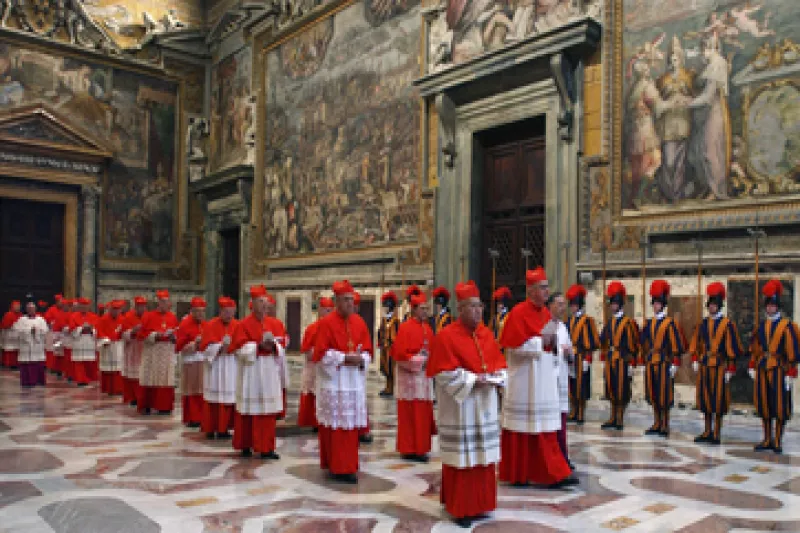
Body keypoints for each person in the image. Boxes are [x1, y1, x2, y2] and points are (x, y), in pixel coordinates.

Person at [427, 280, 506, 528]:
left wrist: (495, 378)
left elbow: (501, 366)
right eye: (472, 307)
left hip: (484, 404)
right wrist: (473, 380)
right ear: (460, 309)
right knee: (464, 459)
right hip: (462, 409)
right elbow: (442, 372)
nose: (478, 312)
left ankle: (481, 504)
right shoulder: (447, 337)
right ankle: (461, 507)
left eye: (480, 307)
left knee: (483, 457)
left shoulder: (486, 334)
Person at [499, 267, 576, 488]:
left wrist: (551, 344)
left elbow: (549, 345)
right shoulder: (518, 313)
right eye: (542, 288)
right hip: (525, 380)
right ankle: (521, 473)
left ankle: (552, 472)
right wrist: (541, 342)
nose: (546, 292)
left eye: (547, 287)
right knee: (524, 429)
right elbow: (514, 346)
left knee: (544, 428)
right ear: (531, 290)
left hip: (542, 380)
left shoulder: (545, 315)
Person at [314, 280, 372, 483]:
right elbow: (321, 355)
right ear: (337, 301)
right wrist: (345, 358)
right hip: (335, 381)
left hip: (353, 381)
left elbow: (368, 352)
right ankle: (337, 465)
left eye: (352, 300)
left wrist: (361, 358)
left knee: (350, 428)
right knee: (337, 427)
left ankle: (348, 465)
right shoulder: (326, 323)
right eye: (346, 300)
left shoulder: (360, 323)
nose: (350, 304)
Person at [228, 285, 283, 459]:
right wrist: (258, 346)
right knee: (249, 409)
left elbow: (281, 344)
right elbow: (238, 348)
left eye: (266, 302)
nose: (264, 305)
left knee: (267, 411)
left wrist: (274, 345)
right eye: (260, 302)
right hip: (252, 371)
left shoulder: (272, 323)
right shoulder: (243, 324)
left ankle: (266, 447)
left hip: (268, 370)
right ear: (252, 303)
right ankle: (246, 444)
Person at [689, 282, 742, 444]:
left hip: (720, 365)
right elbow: (695, 343)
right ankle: (707, 430)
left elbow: (733, 347)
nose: (711, 307)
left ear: (719, 306)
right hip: (705, 364)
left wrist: (731, 367)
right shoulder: (703, 324)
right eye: (710, 305)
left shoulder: (727, 325)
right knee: (705, 399)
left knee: (718, 399)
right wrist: (694, 359)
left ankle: (716, 432)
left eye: (714, 305)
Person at [749, 280, 798, 453]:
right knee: (764, 405)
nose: (770, 308)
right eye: (768, 306)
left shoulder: (787, 327)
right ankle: (766, 438)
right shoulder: (761, 327)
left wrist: (791, 372)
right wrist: (752, 364)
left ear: (778, 307)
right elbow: (755, 348)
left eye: (773, 306)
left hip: (779, 369)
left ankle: (777, 440)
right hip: (763, 367)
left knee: (779, 405)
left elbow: (793, 350)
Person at [393, 292, 436, 462]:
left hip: (424, 379)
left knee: (423, 414)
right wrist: (420, 361)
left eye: (427, 308)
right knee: (410, 415)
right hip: (410, 380)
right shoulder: (405, 328)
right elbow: (399, 355)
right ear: (414, 309)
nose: (426, 312)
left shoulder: (428, 328)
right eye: (422, 309)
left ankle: (421, 448)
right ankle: (409, 448)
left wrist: (431, 360)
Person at [640, 280, 683, 437]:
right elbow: (642, 341)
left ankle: (665, 423)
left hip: (664, 363)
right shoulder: (649, 323)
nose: (655, 306)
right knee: (653, 394)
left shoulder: (670, 323)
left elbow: (676, 345)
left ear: (663, 304)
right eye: (654, 303)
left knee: (664, 395)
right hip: (651, 362)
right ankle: (656, 422)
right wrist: (642, 360)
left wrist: (675, 363)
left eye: (658, 303)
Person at [600, 282, 640, 430]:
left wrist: (631, 363)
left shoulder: (628, 323)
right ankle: (612, 416)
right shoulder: (609, 322)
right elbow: (603, 340)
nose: (612, 306)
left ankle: (620, 418)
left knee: (621, 389)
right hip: (611, 359)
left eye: (615, 303)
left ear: (620, 304)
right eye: (612, 303)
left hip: (623, 360)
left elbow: (633, 344)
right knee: (610, 388)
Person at [200, 297, 239, 439]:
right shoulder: (210, 325)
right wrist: (220, 347)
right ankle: (210, 428)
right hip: (215, 366)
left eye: (231, 312)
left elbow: (242, 345)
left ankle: (224, 428)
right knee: (213, 399)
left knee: (228, 399)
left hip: (231, 365)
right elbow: (205, 348)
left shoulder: (237, 325)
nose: (229, 315)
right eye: (226, 312)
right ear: (220, 311)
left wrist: (234, 348)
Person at [137, 290, 179, 415]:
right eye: (164, 302)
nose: (167, 305)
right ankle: (147, 405)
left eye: (168, 302)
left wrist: (172, 337)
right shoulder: (148, 316)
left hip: (167, 352)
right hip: (152, 351)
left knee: (165, 378)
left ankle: (164, 406)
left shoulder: (172, 317)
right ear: (159, 303)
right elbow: (141, 335)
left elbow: (177, 333)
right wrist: (156, 335)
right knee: (150, 376)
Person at [298, 297, 334, 430]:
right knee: (313, 392)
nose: (328, 313)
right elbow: (307, 351)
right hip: (314, 366)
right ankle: (314, 422)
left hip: (329, 367)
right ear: (320, 311)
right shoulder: (312, 328)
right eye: (326, 310)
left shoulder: (335, 328)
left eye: (331, 310)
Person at [566, 284, 600, 425]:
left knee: (582, 387)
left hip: (582, 357)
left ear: (579, 305)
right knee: (572, 386)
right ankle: (573, 411)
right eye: (571, 305)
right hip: (572, 357)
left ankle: (581, 412)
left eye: (575, 305)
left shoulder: (588, 321)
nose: (572, 307)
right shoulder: (569, 321)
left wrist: (588, 358)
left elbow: (593, 342)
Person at [547, 291, 573, 468]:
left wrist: (569, 354)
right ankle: (555, 458)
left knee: (562, 422)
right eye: (559, 304)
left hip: (561, 379)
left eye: (564, 304)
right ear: (550, 306)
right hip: (549, 381)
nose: (563, 308)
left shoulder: (563, 327)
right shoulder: (546, 327)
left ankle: (563, 456)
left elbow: (570, 352)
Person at [176, 297, 207, 428]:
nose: (200, 314)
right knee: (192, 390)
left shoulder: (205, 324)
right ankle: (193, 417)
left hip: (203, 360)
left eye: (202, 312)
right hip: (191, 361)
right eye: (198, 311)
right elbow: (179, 346)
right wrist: (194, 344)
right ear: (192, 311)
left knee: (202, 390)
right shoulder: (185, 324)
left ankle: (201, 416)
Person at [265, 294, 289, 420]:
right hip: (267, 359)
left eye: (271, 308)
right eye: (267, 308)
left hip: (279, 358)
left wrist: (282, 341)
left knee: (280, 383)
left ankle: (280, 411)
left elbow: (285, 339)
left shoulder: (279, 323)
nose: (269, 310)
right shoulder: (261, 322)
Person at [14, 297, 48, 387]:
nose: (31, 310)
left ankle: (38, 381)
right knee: (27, 363)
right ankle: (27, 381)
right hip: (26, 346)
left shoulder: (41, 319)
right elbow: (17, 331)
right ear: (26, 310)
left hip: (37, 346)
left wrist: (37, 331)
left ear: (35, 309)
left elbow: (45, 331)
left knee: (37, 363)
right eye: (29, 309)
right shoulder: (21, 320)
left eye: (32, 309)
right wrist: (29, 330)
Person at [121, 296, 147, 406]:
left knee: (142, 375)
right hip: (132, 348)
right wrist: (133, 331)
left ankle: (142, 397)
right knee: (132, 376)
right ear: (135, 307)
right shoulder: (128, 317)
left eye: (143, 306)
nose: (142, 309)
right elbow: (123, 334)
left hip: (144, 348)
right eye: (139, 307)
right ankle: (132, 397)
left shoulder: (148, 316)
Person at [97, 300, 125, 395]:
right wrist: (105, 339)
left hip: (118, 345)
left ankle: (118, 388)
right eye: (114, 309)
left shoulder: (123, 319)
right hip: (107, 346)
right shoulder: (103, 319)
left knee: (118, 369)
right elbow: (99, 331)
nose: (116, 312)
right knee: (108, 369)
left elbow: (124, 331)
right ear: (110, 309)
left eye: (118, 310)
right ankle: (108, 388)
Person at [69, 297, 98, 387]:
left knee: (88, 362)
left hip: (89, 341)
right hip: (79, 341)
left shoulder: (93, 316)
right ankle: (81, 380)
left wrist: (91, 329)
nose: (84, 307)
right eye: (82, 305)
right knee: (79, 362)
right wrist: (81, 328)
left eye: (86, 305)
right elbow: (72, 329)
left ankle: (88, 379)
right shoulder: (73, 316)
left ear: (88, 306)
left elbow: (97, 329)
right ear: (79, 306)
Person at [378, 291, 400, 398]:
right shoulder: (384, 319)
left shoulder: (395, 321)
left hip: (391, 348)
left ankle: (392, 388)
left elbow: (395, 335)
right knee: (386, 369)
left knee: (392, 369)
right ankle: (387, 387)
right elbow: (381, 332)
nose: (384, 308)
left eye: (386, 306)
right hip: (385, 348)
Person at [1, 300, 22, 369]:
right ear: (12, 307)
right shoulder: (8, 314)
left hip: (17, 337)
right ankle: (8, 363)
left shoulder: (21, 315)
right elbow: (5, 325)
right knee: (9, 350)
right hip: (9, 335)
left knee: (16, 351)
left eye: (18, 306)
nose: (17, 308)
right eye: (16, 306)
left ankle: (16, 364)